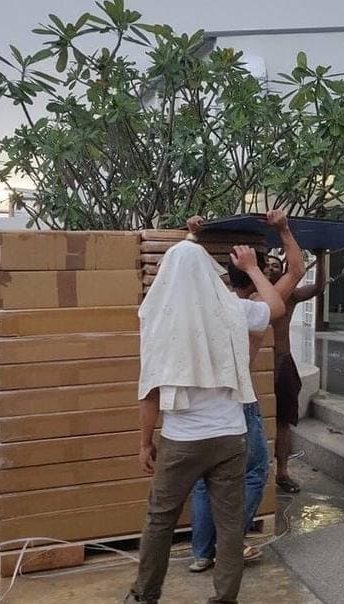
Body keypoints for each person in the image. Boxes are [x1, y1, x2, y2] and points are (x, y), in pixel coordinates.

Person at [128, 237, 285, 604]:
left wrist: (145, 442)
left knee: (160, 520)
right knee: (230, 526)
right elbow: (276, 307)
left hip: (182, 439)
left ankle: (145, 595)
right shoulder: (233, 309)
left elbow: (150, 390)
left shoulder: (157, 316)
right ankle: (225, 598)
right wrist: (252, 268)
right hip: (230, 437)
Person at [183, 211, 305, 573]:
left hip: (203, 400)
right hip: (239, 401)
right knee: (254, 472)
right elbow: (296, 271)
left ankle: (202, 553)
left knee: (205, 479)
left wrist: (194, 236)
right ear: (258, 274)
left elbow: (187, 271)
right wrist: (283, 229)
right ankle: (229, 542)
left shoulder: (209, 302)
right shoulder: (253, 309)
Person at [259, 248, 328, 495]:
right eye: (267, 265)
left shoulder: (291, 295)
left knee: (284, 420)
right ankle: (258, 472)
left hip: (282, 361)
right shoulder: (253, 295)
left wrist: (322, 258)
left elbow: (318, 288)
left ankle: (282, 472)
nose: (271, 268)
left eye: (276, 265)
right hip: (259, 363)